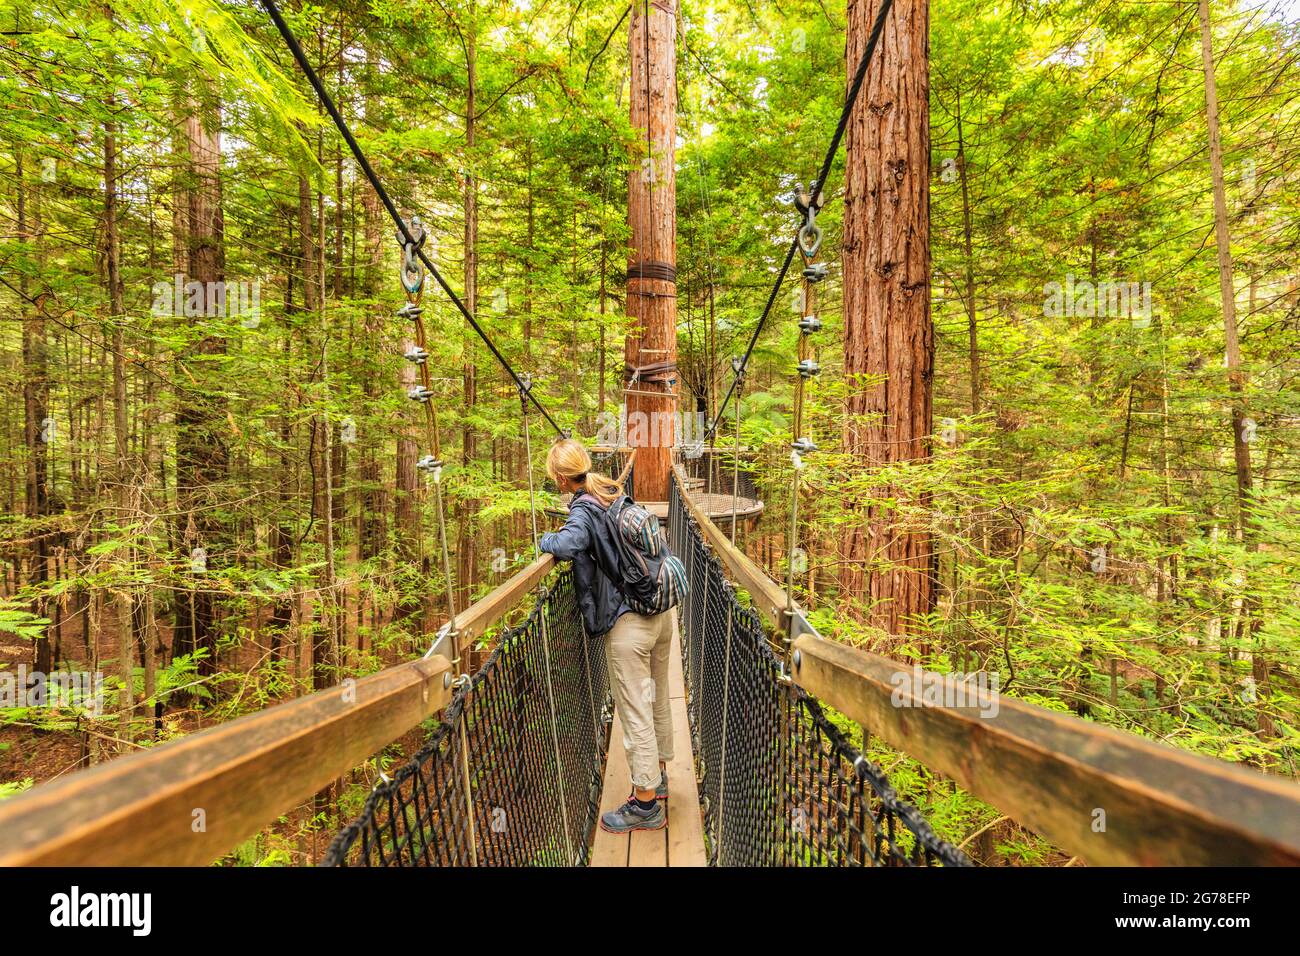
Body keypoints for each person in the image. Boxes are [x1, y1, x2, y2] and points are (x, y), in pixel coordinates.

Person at [539, 438, 673, 833]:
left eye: (555, 478)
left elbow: (567, 543)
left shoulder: (582, 507)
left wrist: (544, 540)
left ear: (563, 479)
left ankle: (646, 803)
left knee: (634, 710)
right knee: (658, 697)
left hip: (630, 622)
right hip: (661, 611)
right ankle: (659, 776)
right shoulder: (611, 490)